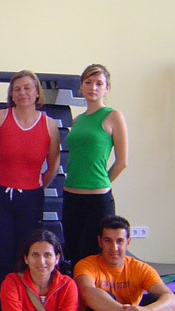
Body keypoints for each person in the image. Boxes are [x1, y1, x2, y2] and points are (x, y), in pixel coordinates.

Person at [0, 70, 60, 296]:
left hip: (31, 198)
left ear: (37, 93)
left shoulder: (49, 124)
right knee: (1, 255)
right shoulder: (0, 117)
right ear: (11, 95)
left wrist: (34, 187)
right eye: (17, 89)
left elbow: (53, 164)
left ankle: (27, 305)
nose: (22, 92)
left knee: (27, 255)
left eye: (27, 88)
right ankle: (2, 308)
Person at [62, 64, 128, 268]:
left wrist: (102, 181)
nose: (93, 87)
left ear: (107, 88)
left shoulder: (113, 116)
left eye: (99, 83)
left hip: (97, 199)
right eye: (88, 82)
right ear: (81, 86)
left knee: (93, 255)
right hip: (71, 195)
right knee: (73, 253)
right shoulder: (77, 120)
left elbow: (122, 162)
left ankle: (97, 300)